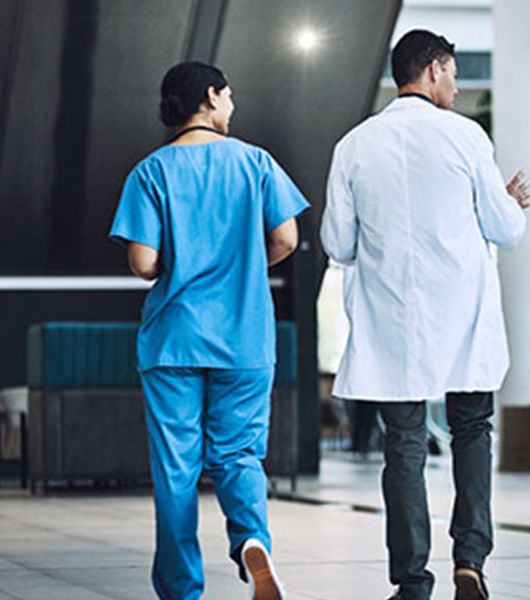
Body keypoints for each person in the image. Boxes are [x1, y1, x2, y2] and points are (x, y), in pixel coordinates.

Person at [320, 30, 530, 600]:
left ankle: (412, 582)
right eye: (455, 74)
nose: (457, 86)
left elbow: (337, 243)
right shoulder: (466, 137)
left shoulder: (355, 145)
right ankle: (470, 561)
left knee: (404, 447)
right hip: (463, 318)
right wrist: (508, 202)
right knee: (472, 431)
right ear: (434, 70)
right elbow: (505, 229)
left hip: (394, 323)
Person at [109, 61, 308, 600]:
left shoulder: (150, 172)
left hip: (173, 338)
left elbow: (142, 262)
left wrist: (178, 263)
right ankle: (252, 543)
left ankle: (181, 590)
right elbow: (287, 239)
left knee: (175, 469)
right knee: (239, 454)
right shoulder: (256, 162)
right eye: (230, 96)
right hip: (243, 336)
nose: (232, 106)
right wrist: (243, 263)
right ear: (213, 97)